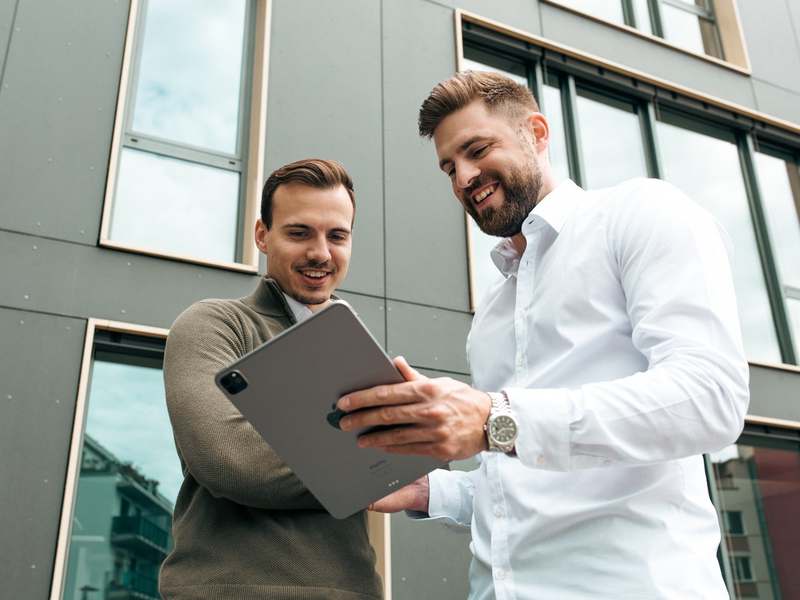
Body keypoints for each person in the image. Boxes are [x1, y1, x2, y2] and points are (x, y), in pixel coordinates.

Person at [337, 71, 750, 599]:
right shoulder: (492, 313)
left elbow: (710, 396)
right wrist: (427, 489)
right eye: (449, 167)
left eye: (477, 150)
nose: (464, 177)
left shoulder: (639, 213)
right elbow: (518, 478)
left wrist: (495, 418)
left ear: (536, 133)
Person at [159, 158, 383, 600]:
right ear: (262, 235)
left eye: (337, 236)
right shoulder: (215, 326)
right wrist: (372, 460)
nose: (321, 253)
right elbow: (230, 461)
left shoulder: (358, 348)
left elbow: (415, 457)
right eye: (300, 233)